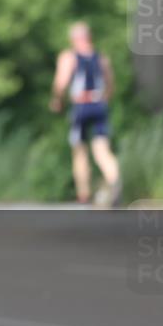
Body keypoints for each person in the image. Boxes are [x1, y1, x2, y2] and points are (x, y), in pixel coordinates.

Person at [50, 21, 121, 206]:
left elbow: (61, 82)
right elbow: (110, 84)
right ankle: (114, 180)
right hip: (99, 104)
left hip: (81, 106)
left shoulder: (69, 57)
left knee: (79, 150)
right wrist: (105, 99)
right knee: (102, 150)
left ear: (73, 39)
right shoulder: (101, 58)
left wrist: (57, 100)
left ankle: (84, 194)